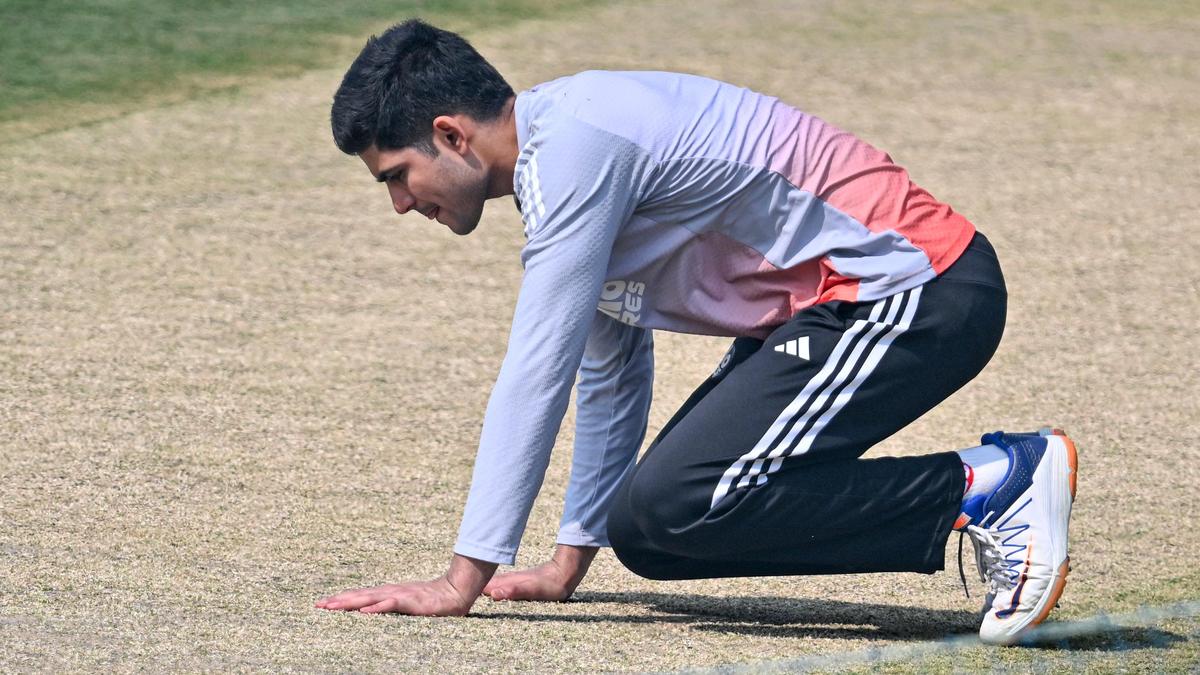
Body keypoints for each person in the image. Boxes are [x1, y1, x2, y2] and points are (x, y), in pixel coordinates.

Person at [314, 19, 1077, 645]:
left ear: (451, 136)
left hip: (915, 285)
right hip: (831, 307)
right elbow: (607, 369)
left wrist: (463, 578)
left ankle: (992, 483)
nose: (401, 206)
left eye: (395, 176)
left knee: (687, 496)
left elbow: (537, 370)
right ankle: (978, 493)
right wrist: (568, 558)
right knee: (651, 527)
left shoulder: (576, 147)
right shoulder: (561, 166)